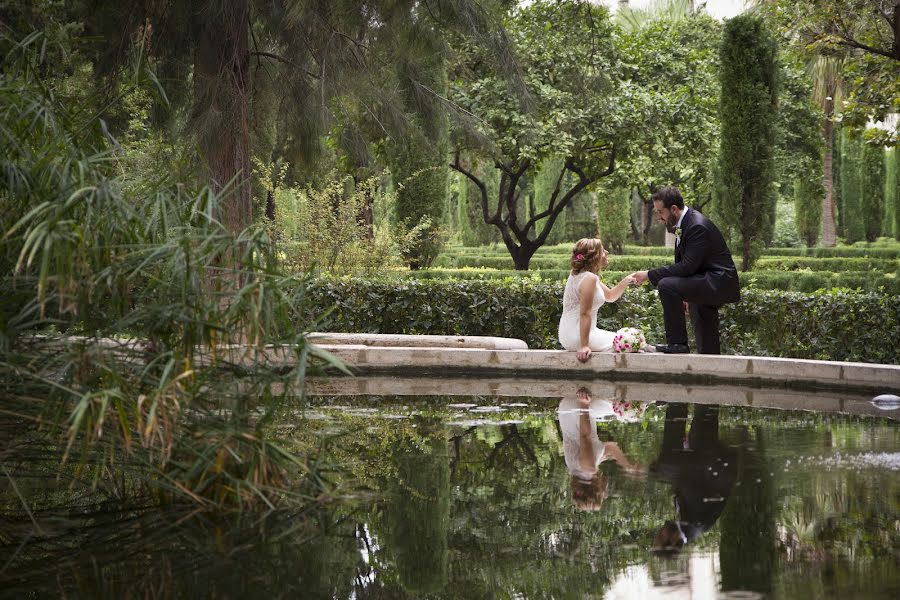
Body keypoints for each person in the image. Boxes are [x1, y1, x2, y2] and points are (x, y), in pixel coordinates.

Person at [631, 186, 740, 354]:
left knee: (666, 285)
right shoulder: (686, 222)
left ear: (674, 209)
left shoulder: (696, 226)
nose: (659, 217)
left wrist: (648, 275)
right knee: (703, 323)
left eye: (661, 212)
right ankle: (709, 360)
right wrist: (683, 293)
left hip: (718, 282)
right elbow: (690, 266)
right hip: (707, 279)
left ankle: (677, 344)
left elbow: (686, 267)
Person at [649, 403, 736, 554]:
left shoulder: (686, 526)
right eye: (661, 535)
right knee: (666, 464)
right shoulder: (695, 525)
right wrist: (662, 473)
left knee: (667, 466)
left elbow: (687, 483)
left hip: (707, 466)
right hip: (715, 465)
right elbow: (690, 485)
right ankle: (677, 406)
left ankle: (684, 405)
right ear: (674, 541)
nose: (660, 530)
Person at [557, 387, 645, 511]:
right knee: (624, 410)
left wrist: (583, 404)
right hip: (568, 410)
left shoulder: (588, 469)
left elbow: (585, 436)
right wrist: (627, 466)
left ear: (596, 490)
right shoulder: (581, 470)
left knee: (628, 410)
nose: (606, 494)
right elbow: (610, 447)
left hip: (576, 409)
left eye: (602, 497)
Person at [558, 238, 637, 362]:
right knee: (628, 342)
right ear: (595, 256)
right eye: (603, 250)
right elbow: (585, 313)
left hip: (572, 334)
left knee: (626, 340)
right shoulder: (589, 278)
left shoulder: (585, 275)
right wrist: (584, 346)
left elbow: (610, 296)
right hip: (578, 336)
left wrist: (625, 281)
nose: (607, 252)